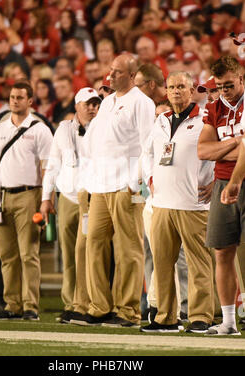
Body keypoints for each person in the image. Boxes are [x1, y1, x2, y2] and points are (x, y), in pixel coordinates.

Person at [73, 53, 155, 327]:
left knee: (129, 249)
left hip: (126, 185)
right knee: (93, 243)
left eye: (118, 72)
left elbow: (148, 145)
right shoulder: (107, 104)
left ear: (132, 76)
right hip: (100, 185)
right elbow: (92, 144)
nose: (111, 76)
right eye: (110, 70)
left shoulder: (142, 103)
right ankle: (99, 307)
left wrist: (134, 182)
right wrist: (87, 180)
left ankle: (128, 310)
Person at [0, 81, 53, 321]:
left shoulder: (40, 129)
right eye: (12, 97)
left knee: (29, 254)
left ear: (30, 101)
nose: (14, 101)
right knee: (6, 255)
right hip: (1, 195)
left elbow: (47, 168)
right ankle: (12, 304)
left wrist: (45, 200)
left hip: (30, 194)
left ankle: (30, 306)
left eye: (20, 97)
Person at [140, 71, 215, 334]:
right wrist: (149, 177)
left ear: (192, 89)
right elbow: (146, 153)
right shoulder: (161, 120)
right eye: (171, 87)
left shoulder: (206, 119)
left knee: (198, 263)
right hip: (161, 202)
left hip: (194, 203)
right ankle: (165, 317)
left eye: (181, 86)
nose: (175, 91)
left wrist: (215, 181)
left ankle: (200, 316)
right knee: (161, 264)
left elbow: (222, 151)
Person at [40, 87, 102, 323]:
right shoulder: (63, 130)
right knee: (69, 255)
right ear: (76, 105)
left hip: (94, 198)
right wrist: (47, 197)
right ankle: (71, 303)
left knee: (91, 254)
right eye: (87, 103)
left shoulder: (102, 129)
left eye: (95, 104)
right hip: (67, 197)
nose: (92, 108)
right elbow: (53, 165)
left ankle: (89, 302)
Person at [197, 55, 245, 336]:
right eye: (220, 86)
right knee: (222, 251)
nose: (224, 91)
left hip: (237, 181)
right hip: (222, 181)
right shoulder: (215, 107)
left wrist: (235, 178)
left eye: (229, 85)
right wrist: (236, 142)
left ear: (241, 78)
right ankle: (228, 322)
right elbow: (203, 151)